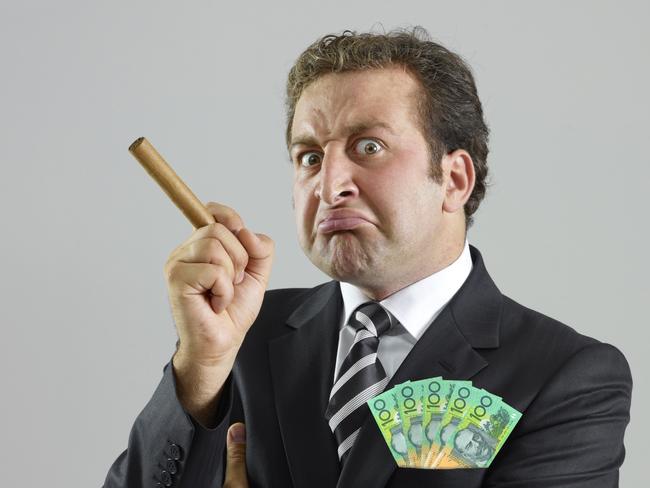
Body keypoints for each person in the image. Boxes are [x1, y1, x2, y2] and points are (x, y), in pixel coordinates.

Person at [102, 27, 632, 488]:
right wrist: (200, 367)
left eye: (369, 147)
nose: (329, 185)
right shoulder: (241, 340)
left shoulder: (564, 376)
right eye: (310, 156)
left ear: (454, 179)